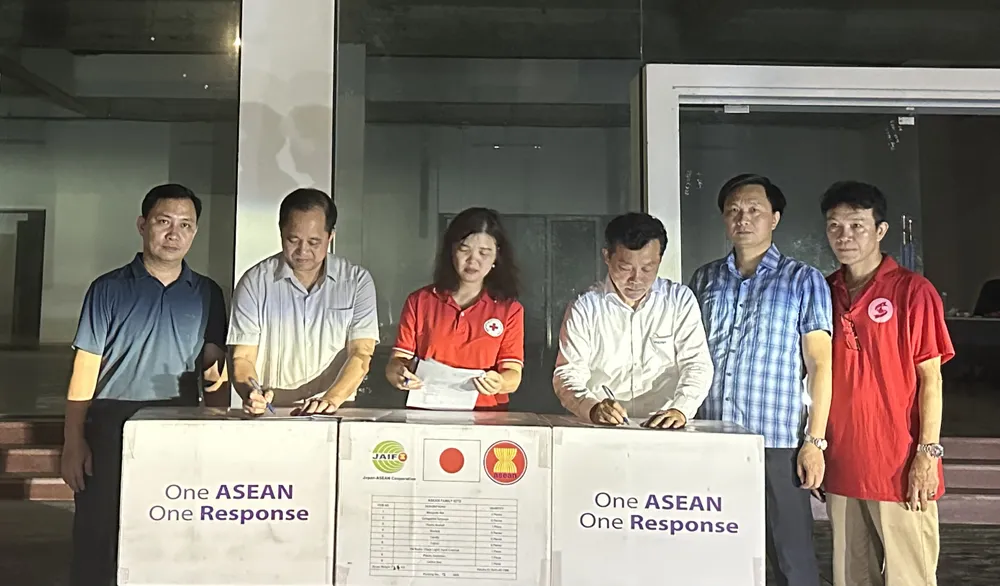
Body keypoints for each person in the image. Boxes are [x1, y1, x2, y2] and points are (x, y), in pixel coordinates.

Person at [60, 184, 228, 586]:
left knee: (169, 528)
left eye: (186, 225)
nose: (174, 234)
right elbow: (85, 368)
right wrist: (73, 440)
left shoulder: (206, 293)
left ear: (195, 233)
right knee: (98, 532)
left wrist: (220, 430)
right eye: (163, 222)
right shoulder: (108, 288)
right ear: (142, 225)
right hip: (110, 422)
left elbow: (212, 370)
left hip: (178, 422)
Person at [688, 174, 832, 586]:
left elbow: (820, 365)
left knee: (791, 559)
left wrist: (815, 441)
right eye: (733, 210)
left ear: (775, 218)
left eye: (754, 210)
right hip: (711, 438)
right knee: (719, 552)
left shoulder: (803, 280)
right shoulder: (704, 279)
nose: (743, 218)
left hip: (777, 443)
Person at [821, 181, 953, 586]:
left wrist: (926, 455)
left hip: (898, 462)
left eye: (857, 226)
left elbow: (931, 377)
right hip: (842, 461)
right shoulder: (824, 291)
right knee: (851, 575)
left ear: (880, 231)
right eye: (835, 226)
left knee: (908, 575)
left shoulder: (913, 291)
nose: (845, 236)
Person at [553, 212, 713, 428]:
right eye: (625, 268)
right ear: (607, 257)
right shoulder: (585, 306)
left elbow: (697, 364)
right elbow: (568, 372)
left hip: (664, 427)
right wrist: (591, 407)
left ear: (660, 259)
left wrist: (681, 408)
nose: (636, 279)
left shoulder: (679, 301)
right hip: (603, 427)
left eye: (648, 268)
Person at [230, 188, 379, 415]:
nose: (303, 251)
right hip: (274, 411)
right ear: (281, 233)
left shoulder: (356, 282)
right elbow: (242, 356)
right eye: (293, 240)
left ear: (331, 237)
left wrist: (331, 399)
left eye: (314, 242)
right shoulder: (255, 282)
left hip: (338, 409)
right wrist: (251, 392)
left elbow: (361, 352)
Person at [386, 207, 524, 410]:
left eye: (484, 253)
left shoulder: (509, 309)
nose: (473, 260)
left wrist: (500, 383)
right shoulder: (421, 301)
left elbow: (513, 374)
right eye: (464, 249)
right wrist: (398, 373)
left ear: (497, 257)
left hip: (486, 415)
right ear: (451, 251)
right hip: (425, 410)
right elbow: (397, 362)